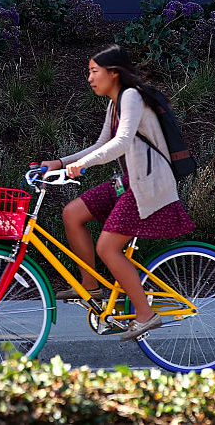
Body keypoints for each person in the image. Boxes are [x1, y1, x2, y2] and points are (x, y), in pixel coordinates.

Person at [40, 44, 195, 341]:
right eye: (89, 72)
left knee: (107, 248)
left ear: (114, 73)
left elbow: (122, 143)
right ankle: (91, 287)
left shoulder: (131, 96)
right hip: (131, 180)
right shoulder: (115, 104)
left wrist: (83, 165)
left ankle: (145, 314)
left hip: (149, 184)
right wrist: (61, 162)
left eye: (94, 72)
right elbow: (102, 144)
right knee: (72, 213)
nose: (89, 78)